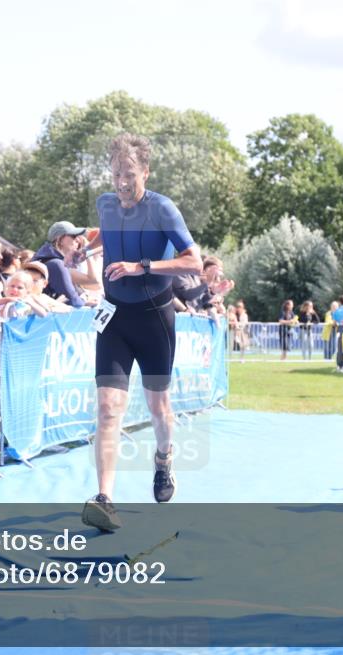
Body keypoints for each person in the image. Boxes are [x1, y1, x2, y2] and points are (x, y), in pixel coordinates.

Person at [80, 133, 202, 531]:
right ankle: (104, 499)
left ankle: (164, 459)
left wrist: (142, 266)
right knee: (107, 408)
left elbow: (194, 262)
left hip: (154, 320)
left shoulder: (163, 209)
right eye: (116, 173)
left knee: (158, 409)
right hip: (114, 318)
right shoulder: (104, 204)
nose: (122, 181)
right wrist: (84, 243)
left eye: (129, 173)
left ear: (145, 172)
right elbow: (104, 229)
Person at [32, 221, 91, 308]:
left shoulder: (42, 259)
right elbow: (73, 301)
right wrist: (85, 300)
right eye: (73, 236)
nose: (78, 240)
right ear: (60, 239)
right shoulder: (57, 264)